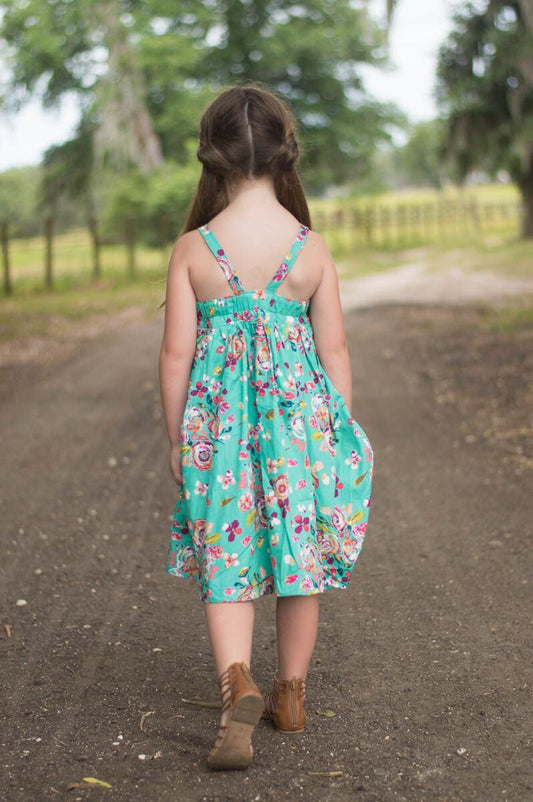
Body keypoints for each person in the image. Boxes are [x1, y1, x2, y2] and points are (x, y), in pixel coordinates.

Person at [158, 84, 373, 771]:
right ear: (285, 152)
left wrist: (175, 440)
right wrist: (334, 432)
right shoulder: (309, 247)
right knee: (296, 559)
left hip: (217, 434)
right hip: (301, 435)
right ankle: (290, 693)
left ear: (212, 157)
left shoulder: (194, 248)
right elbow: (333, 350)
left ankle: (236, 688)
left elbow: (174, 355)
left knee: (227, 557)